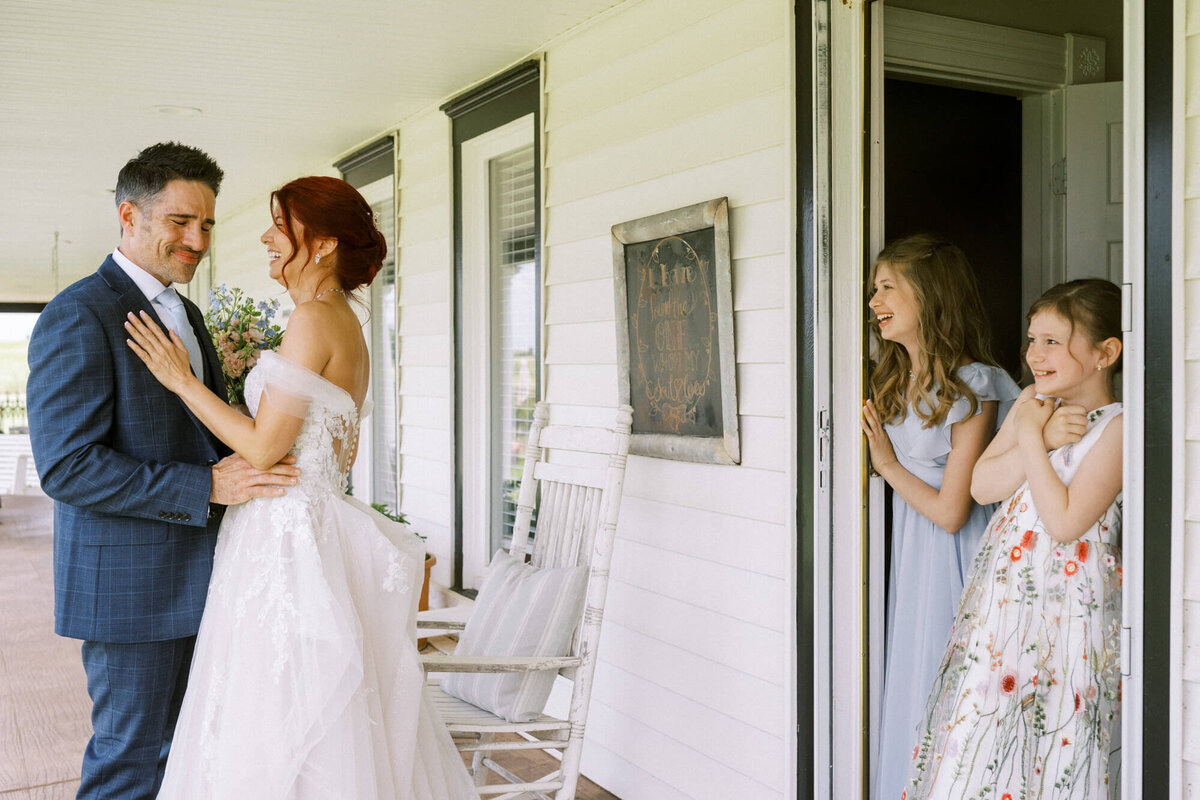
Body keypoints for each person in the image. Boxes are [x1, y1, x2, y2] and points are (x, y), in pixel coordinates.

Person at [124, 175, 476, 798]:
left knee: (275, 712)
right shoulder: (343, 321)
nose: (266, 235)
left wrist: (182, 380)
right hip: (307, 523)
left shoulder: (314, 319)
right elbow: (337, 450)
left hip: (283, 540)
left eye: (280, 225)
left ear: (321, 243)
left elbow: (263, 448)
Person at [25, 142, 301, 800]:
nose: (197, 238)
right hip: (131, 591)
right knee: (130, 762)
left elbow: (195, 432)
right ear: (130, 215)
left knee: (187, 758)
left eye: (207, 223)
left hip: (203, 578)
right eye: (181, 221)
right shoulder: (80, 314)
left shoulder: (187, 314)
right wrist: (206, 486)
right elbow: (67, 466)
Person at [903, 278, 1124, 799]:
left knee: (1057, 739)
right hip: (1008, 611)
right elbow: (981, 486)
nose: (1033, 355)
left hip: (1069, 613)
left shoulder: (1117, 428)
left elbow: (1065, 521)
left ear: (1105, 353)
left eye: (1052, 341)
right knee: (988, 736)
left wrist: (1029, 440)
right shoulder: (1032, 402)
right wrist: (1038, 434)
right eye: (1032, 340)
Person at [860, 234, 1020, 800]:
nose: (872, 297)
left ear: (928, 296)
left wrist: (884, 463)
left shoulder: (974, 385)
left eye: (886, 287)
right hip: (912, 552)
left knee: (952, 691)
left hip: (957, 557)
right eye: (873, 287)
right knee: (914, 685)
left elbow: (953, 511)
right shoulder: (891, 383)